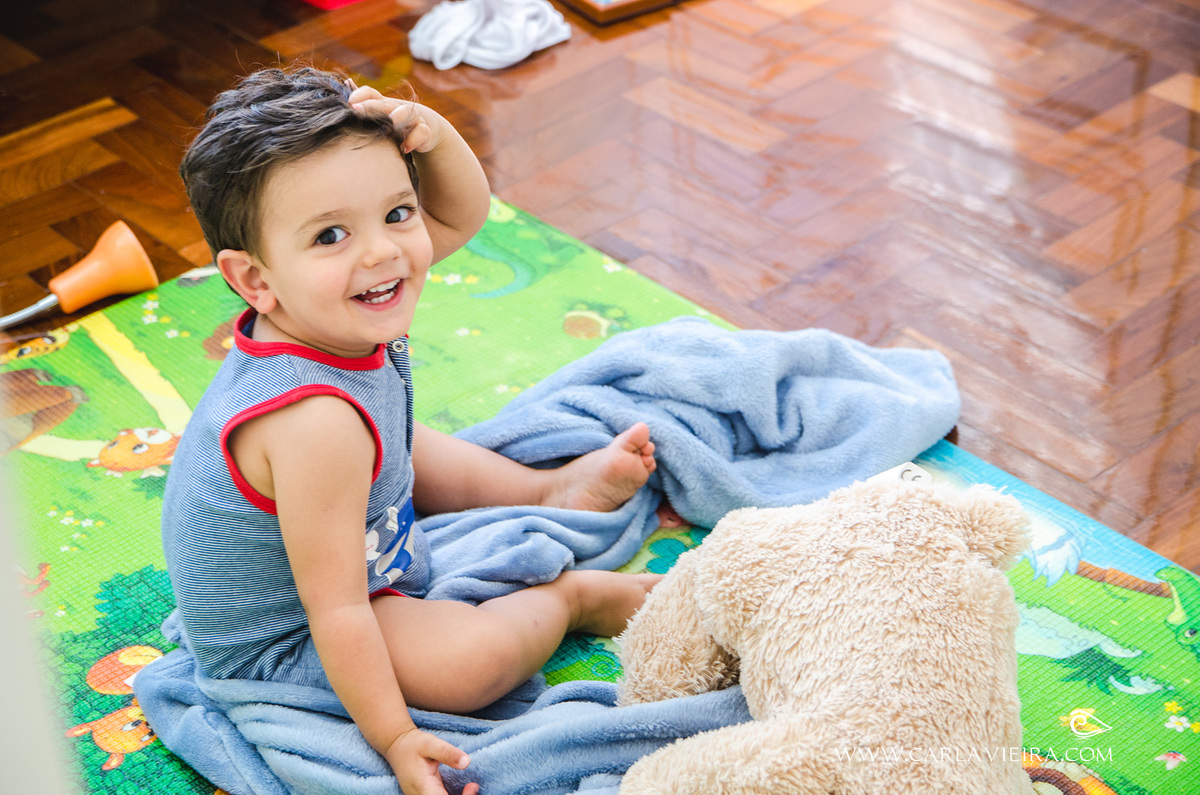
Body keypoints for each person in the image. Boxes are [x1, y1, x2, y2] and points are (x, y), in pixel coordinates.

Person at [162, 65, 661, 795]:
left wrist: (434, 133)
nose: (383, 251)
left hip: (355, 525)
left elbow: (462, 214)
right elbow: (336, 611)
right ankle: (572, 598)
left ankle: (546, 488)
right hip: (295, 637)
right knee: (469, 667)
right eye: (331, 234)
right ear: (255, 280)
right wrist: (394, 734)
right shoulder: (315, 424)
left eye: (396, 212)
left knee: (404, 437)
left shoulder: (328, 311)